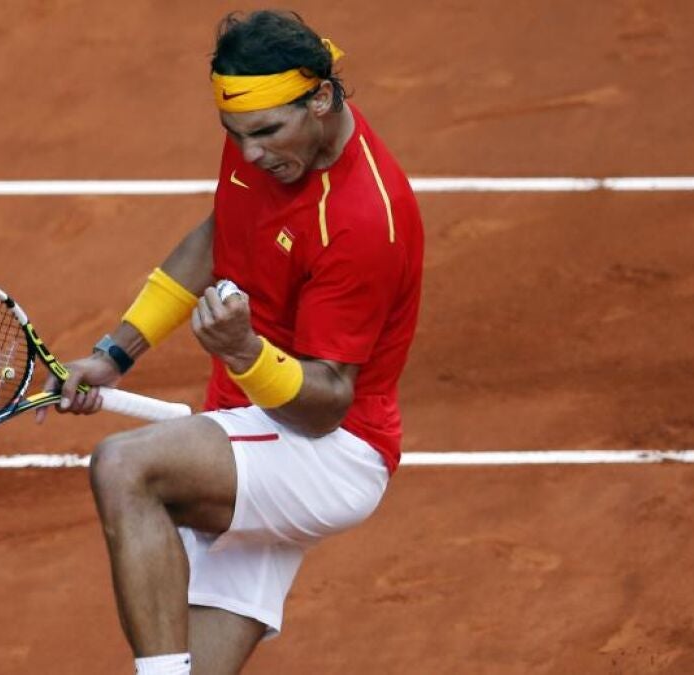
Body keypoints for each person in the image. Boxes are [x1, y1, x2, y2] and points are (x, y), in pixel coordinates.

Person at [36, 10, 424, 674]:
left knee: (125, 468)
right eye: (233, 134)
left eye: (266, 132)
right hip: (252, 425)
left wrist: (244, 353)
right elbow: (222, 233)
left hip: (330, 450)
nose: (250, 155)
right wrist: (114, 354)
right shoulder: (266, 142)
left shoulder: (362, 218)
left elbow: (327, 402)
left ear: (320, 98)